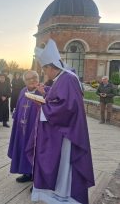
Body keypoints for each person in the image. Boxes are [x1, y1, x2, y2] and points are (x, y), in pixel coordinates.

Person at [27, 39, 94, 204]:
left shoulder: (68, 79)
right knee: (60, 165)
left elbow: (67, 107)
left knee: (64, 166)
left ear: (50, 67)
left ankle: (65, 197)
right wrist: (46, 92)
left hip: (66, 135)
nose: (45, 73)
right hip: (63, 131)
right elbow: (60, 98)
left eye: (44, 69)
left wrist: (43, 106)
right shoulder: (62, 78)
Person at [8, 70, 44, 183]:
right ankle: (27, 173)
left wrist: (44, 95)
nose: (32, 80)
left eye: (34, 77)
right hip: (22, 128)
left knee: (36, 152)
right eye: (29, 79)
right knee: (23, 149)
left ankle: (37, 179)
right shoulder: (23, 91)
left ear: (38, 78)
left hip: (37, 130)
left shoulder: (44, 91)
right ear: (25, 82)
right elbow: (19, 107)